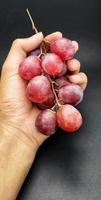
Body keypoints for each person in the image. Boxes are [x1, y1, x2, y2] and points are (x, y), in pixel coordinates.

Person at [0, 32, 88, 199]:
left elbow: (59, 69)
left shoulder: (47, 67)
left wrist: (18, 136)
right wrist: (14, 128)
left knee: (68, 74)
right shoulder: (38, 64)